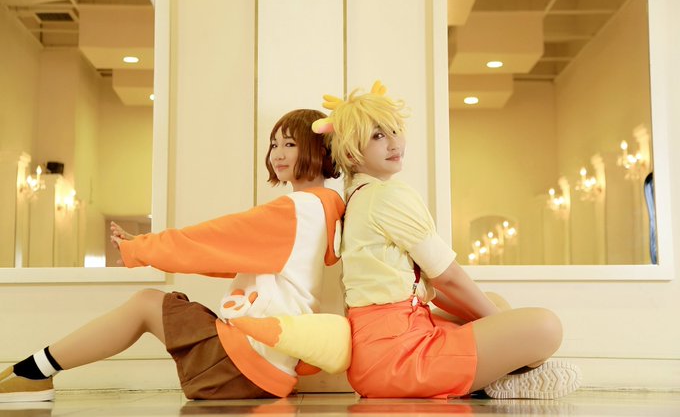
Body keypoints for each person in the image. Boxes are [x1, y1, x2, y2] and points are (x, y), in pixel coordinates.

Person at [0, 109, 344, 403]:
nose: (277, 154)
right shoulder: (320, 208)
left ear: (317, 150)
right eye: (274, 144)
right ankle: (34, 371)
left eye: (289, 144)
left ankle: (34, 373)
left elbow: (211, 240)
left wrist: (141, 248)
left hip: (244, 366)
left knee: (145, 304)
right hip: (263, 367)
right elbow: (222, 255)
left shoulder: (297, 209)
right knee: (151, 303)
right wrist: (144, 247)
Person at [314, 81, 581, 399]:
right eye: (378, 136)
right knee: (546, 326)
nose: (394, 143)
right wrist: (515, 338)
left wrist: (505, 328)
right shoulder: (386, 196)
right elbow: (448, 277)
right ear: (349, 152)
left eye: (395, 130)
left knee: (495, 302)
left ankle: (497, 378)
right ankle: (503, 378)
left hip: (380, 349)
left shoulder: (361, 195)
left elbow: (436, 289)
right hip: (397, 357)